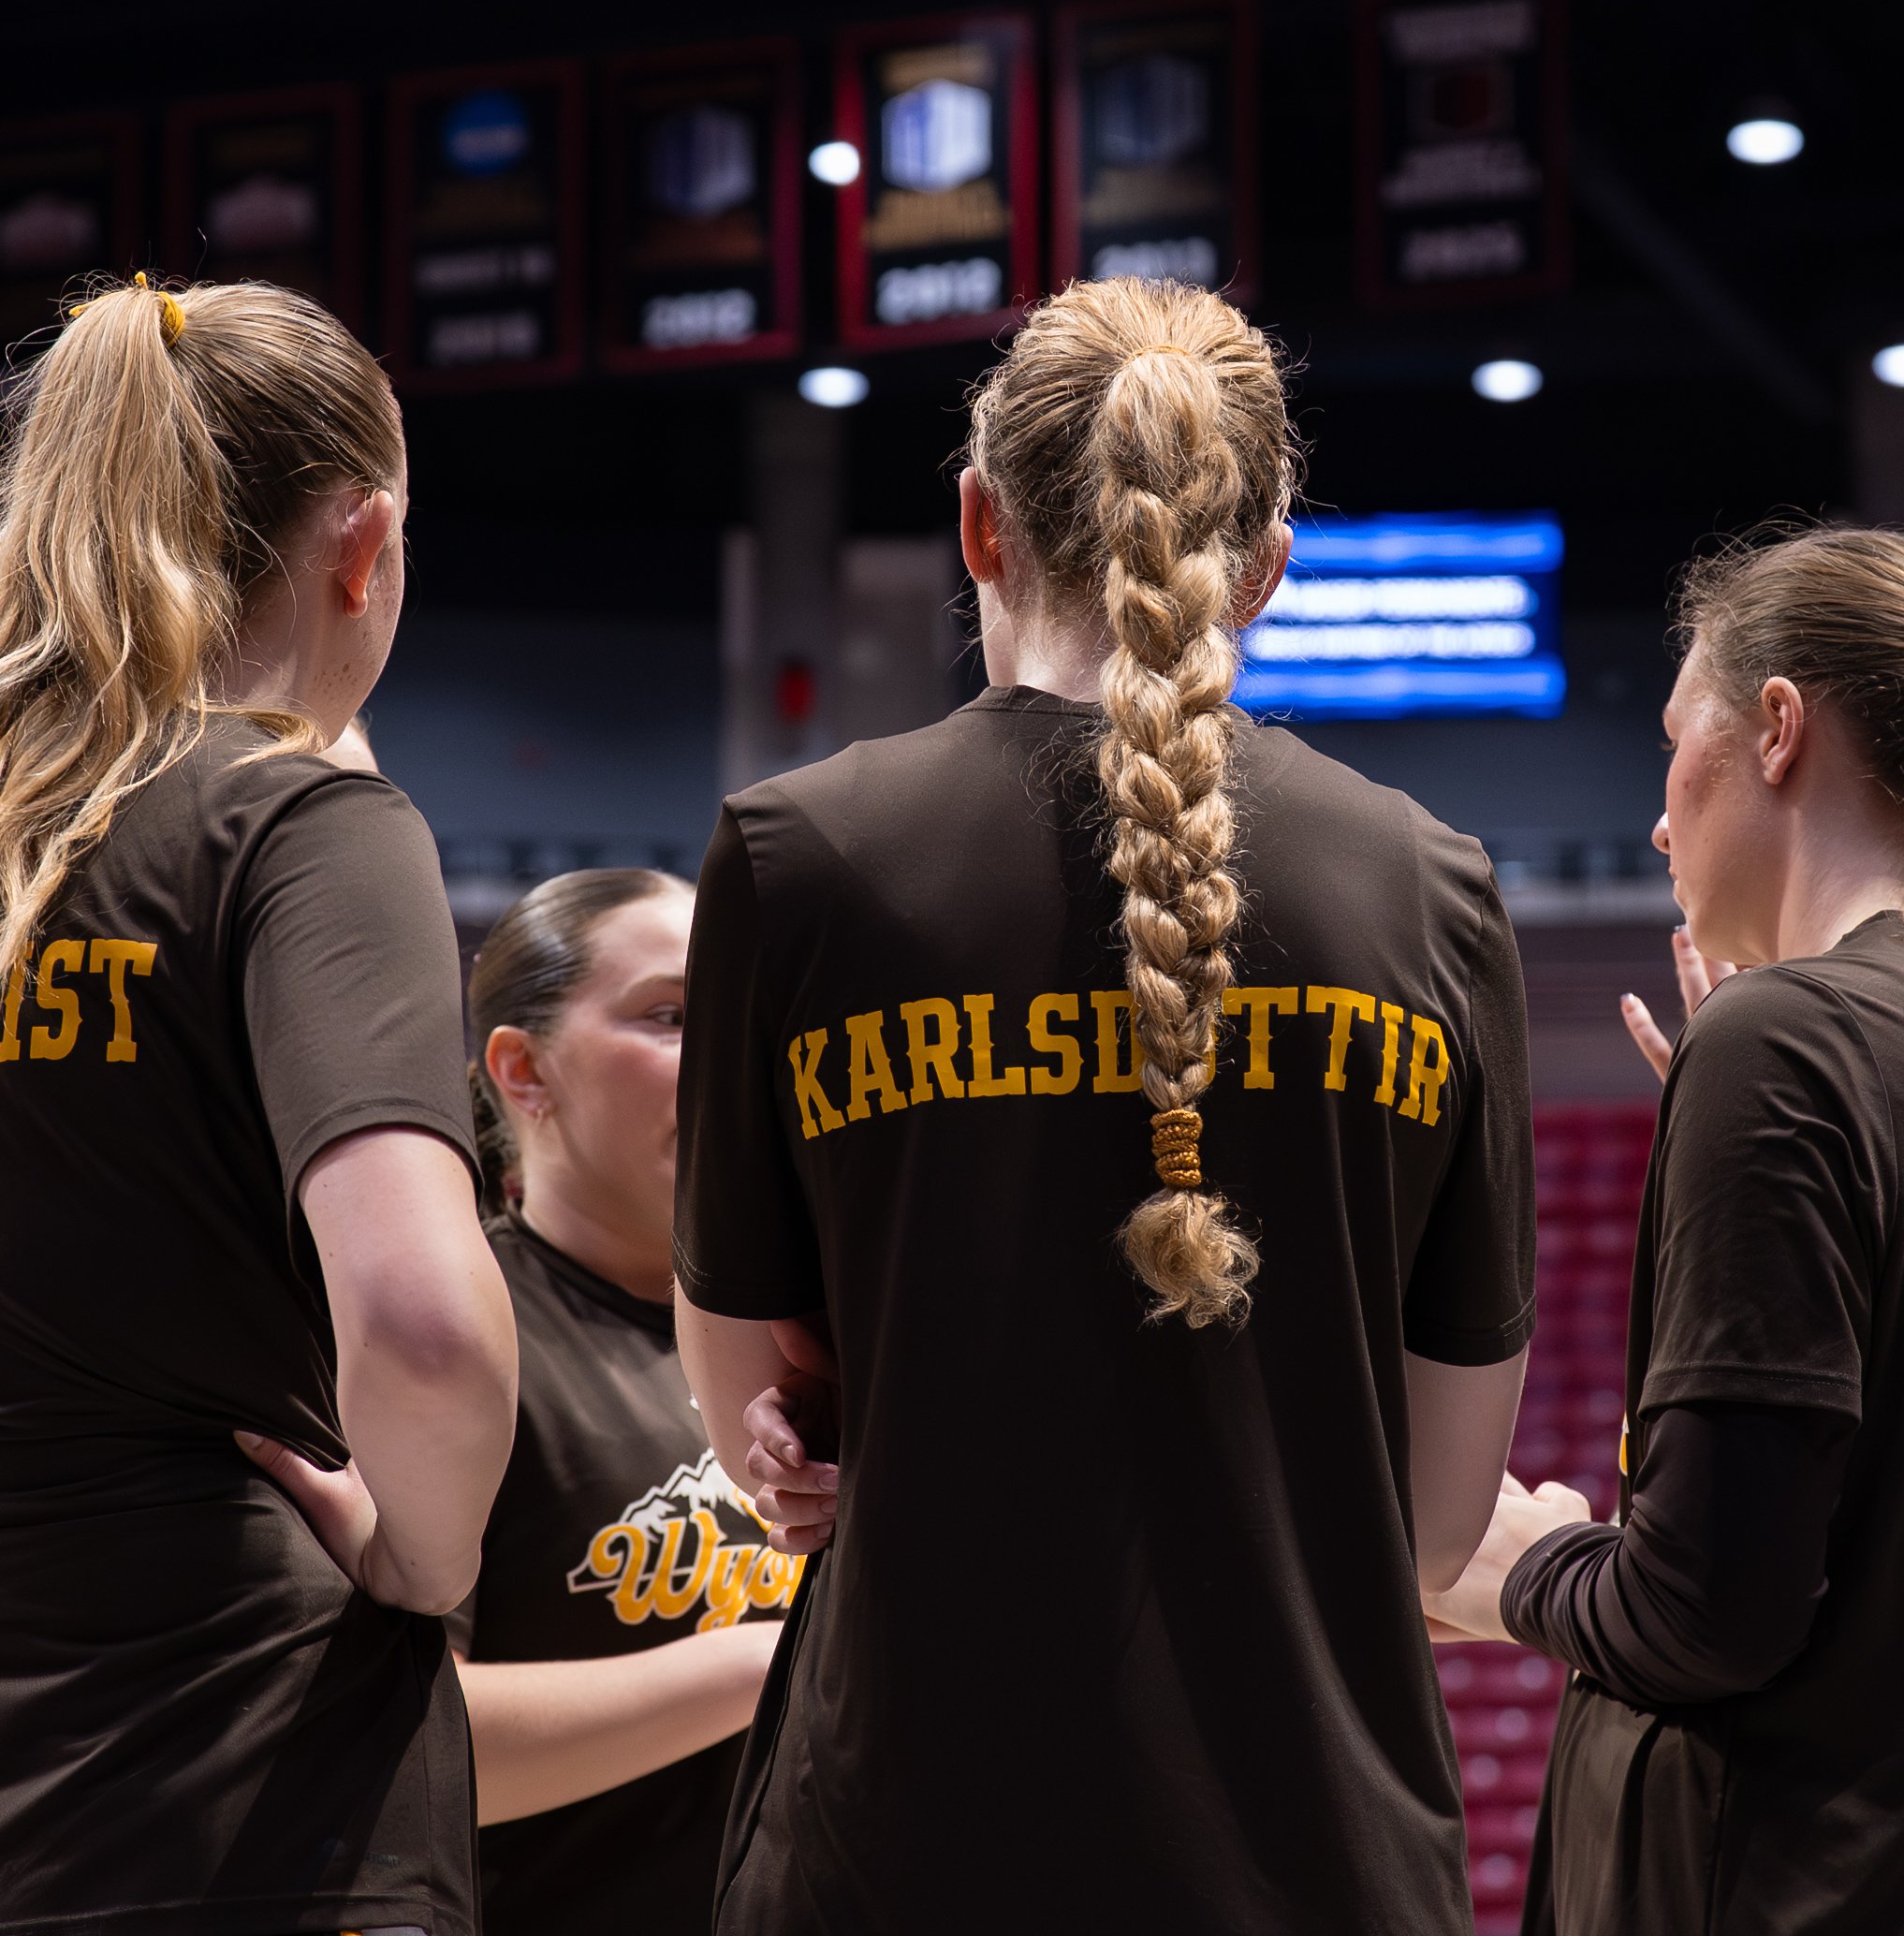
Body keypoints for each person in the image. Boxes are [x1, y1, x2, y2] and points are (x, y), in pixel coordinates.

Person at [673, 275, 1539, 1936]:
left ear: (979, 524)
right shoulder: (1431, 885)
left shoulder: (803, 856)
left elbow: (757, 1422)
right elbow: (1434, 1523)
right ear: (1268, 560)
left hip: (904, 1856)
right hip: (1318, 1866)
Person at [1429, 525, 1904, 1936]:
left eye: (1675, 743)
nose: (1658, 821)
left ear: (1777, 730)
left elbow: (1705, 1613)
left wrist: (1517, 1568)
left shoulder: (1795, 1048)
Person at [0, 275, 517, 1936]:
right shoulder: (299, 824)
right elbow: (425, 1325)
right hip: (249, 1797)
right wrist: (426, 1562)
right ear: (362, 544)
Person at [449, 868, 795, 1936]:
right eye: (673, 1016)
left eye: (743, 1020)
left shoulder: (827, 1324)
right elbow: (398, 1741)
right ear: (525, 1071)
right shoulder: (461, 1335)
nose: (730, 1063)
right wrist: (777, 1658)